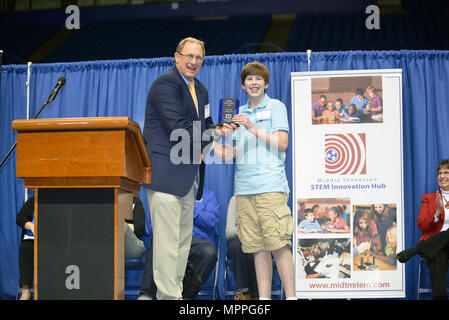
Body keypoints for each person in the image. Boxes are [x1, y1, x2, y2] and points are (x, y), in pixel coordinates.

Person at [141, 37, 233, 300]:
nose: (193, 62)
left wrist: (221, 130)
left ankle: (171, 295)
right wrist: (213, 141)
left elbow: (206, 123)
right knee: (168, 244)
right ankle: (171, 298)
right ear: (176, 57)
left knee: (181, 244)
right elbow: (178, 128)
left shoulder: (201, 90)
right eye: (189, 56)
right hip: (166, 176)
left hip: (189, 177)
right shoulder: (166, 84)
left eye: (199, 58)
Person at [225, 61, 296, 300]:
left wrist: (252, 127)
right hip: (244, 190)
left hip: (270, 187)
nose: (254, 83)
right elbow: (233, 153)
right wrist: (214, 144)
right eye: (249, 79)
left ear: (266, 84)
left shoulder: (276, 107)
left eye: (258, 79)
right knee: (257, 248)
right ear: (243, 85)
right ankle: (263, 300)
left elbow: (282, 143)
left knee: (279, 245)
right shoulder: (238, 114)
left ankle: (292, 297)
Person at [15, 195, 145, 300]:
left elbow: (139, 229)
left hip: (131, 245)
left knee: (115, 223)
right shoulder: (36, 199)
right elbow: (20, 218)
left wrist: (117, 225)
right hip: (105, 243)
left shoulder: (135, 201)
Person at [139, 189, 220, 300]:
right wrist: (196, 213)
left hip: (198, 241)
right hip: (170, 238)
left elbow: (211, 220)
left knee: (209, 253)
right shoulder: (167, 195)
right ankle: (146, 295)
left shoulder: (209, 195)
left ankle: (186, 296)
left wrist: (188, 209)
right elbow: (152, 227)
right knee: (157, 247)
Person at [397, 159, 449, 299]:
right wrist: (437, 212)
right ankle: (440, 297)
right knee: (437, 253)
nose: (442, 176)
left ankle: (417, 249)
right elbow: (421, 225)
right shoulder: (429, 198)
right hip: (437, 245)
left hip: (431, 245)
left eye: (446, 172)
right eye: (439, 173)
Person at [225, 195, 259, 300]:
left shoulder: (265, 198)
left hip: (261, 240)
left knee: (255, 250)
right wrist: (244, 229)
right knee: (237, 247)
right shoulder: (235, 200)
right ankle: (244, 293)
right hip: (241, 238)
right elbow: (228, 233)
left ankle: (254, 295)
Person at [16, 196, 35, 300]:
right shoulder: (34, 200)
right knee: (26, 248)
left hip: (54, 240)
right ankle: (26, 291)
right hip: (32, 238)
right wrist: (31, 226)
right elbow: (20, 218)